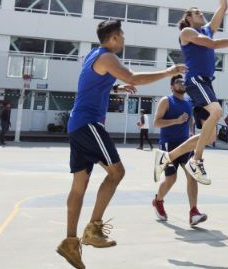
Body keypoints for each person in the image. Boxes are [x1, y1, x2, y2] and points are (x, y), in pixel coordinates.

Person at [56, 19, 185, 269]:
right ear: (114, 37)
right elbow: (134, 77)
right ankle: (93, 229)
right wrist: (168, 72)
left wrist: (116, 87)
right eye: (122, 36)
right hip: (89, 123)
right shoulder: (106, 56)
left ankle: (70, 242)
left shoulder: (93, 55)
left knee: (79, 186)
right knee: (117, 172)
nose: (124, 40)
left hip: (77, 124)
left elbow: (93, 81)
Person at [154, 0, 228, 186]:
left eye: (201, 12)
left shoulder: (207, 29)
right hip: (196, 81)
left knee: (210, 137)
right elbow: (212, 45)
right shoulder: (187, 32)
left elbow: (223, 7)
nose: (201, 14)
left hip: (206, 83)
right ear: (188, 18)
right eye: (196, 12)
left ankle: (168, 156)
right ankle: (196, 160)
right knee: (217, 111)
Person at [151, 75, 208, 227]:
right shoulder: (166, 100)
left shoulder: (189, 102)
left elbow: (190, 118)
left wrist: (190, 131)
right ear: (171, 86)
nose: (182, 83)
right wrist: (175, 121)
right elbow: (156, 122)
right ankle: (158, 201)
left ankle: (194, 212)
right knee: (171, 179)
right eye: (178, 82)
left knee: (192, 175)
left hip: (185, 145)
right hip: (168, 145)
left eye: (183, 81)